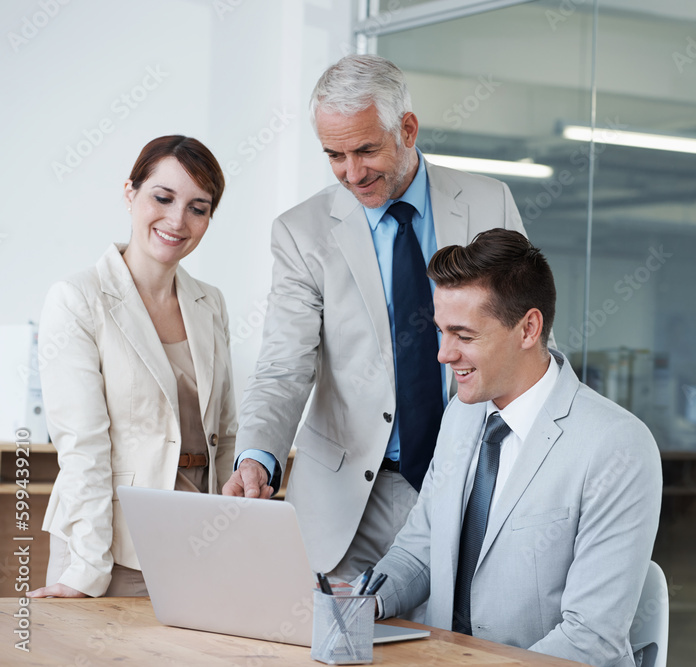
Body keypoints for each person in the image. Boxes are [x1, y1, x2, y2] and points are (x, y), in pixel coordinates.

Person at [223, 54, 526, 581]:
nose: (352, 173)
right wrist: (257, 455)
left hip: (464, 480)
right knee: (336, 652)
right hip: (348, 504)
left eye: (366, 149)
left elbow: (523, 343)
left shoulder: (488, 203)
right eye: (334, 155)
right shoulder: (302, 232)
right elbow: (283, 365)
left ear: (407, 129)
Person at [369, 229, 661, 667]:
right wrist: (360, 601)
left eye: (464, 336)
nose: (443, 355)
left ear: (528, 328)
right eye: (441, 333)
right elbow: (422, 548)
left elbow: (591, 637)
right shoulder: (461, 415)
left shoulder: (616, 446)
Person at [27, 136, 237, 598]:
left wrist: (228, 531)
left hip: (199, 540)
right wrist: (86, 569)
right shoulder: (78, 298)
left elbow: (225, 431)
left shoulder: (210, 302)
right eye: (162, 198)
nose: (177, 220)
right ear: (130, 194)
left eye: (198, 208)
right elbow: (83, 448)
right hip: (111, 546)